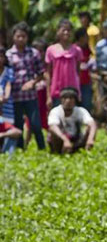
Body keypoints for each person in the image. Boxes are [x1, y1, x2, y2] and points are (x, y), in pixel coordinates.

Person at [6, 22, 46, 150]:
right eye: (18, 36)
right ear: (13, 37)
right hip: (15, 96)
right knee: (18, 124)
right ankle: (19, 150)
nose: (21, 39)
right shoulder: (8, 55)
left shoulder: (33, 53)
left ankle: (42, 149)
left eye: (23, 36)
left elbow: (41, 72)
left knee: (35, 124)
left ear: (27, 37)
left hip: (30, 96)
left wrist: (33, 82)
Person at [45, 19, 84, 109]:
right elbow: (47, 73)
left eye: (69, 30)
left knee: (73, 119)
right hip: (56, 92)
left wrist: (79, 92)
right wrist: (48, 96)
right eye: (63, 30)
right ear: (58, 32)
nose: (66, 32)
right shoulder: (51, 50)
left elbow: (78, 72)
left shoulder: (77, 50)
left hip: (72, 92)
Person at [47, 87, 97, 154]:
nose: (68, 101)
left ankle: (84, 150)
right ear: (61, 100)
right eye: (65, 98)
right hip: (61, 140)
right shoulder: (56, 111)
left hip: (76, 139)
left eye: (71, 98)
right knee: (52, 131)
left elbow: (92, 124)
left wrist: (91, 139)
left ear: (75, 100)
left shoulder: (81, 111)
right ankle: (57, 152)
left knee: (90, 128)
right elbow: (53, 126)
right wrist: (65, 139)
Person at [74, 28, 94, 111]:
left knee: (87, 104)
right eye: (86, 37)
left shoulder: (88, 49)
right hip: (75, 82)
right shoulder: (74, 49)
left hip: (86, 81)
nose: (88, 39)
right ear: (81, 37)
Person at [0, 46, 14, 128]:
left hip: (7, 106)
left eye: (1, 56)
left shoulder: (9, 71)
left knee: (8, 129)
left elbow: (9, 84)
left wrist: (6, 97)